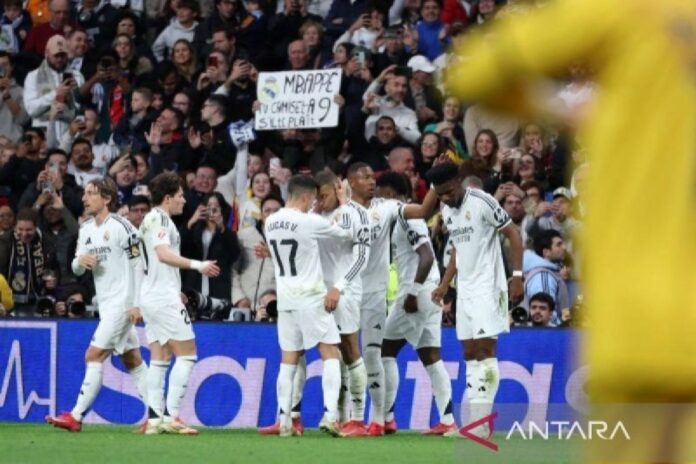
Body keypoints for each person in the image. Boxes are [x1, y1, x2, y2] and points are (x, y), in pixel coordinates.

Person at [45, 177, 149, 432]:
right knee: (133, 360)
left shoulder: (123, 227)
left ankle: (76, 416)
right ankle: (161, 415)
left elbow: (139, 265)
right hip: (107, 305)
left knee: (93, 355)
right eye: (85, 193)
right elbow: (75, 267)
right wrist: (81, 262)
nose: (84, 198)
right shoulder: (86, 229)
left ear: (107, 198)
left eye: (91, 193)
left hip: (123, 304)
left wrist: (136, 304)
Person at [428, 163, 523, 439]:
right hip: (466, 288)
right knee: (469, 354)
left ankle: (482, 425)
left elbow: (513, 233)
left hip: (488, 286)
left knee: (485, 351)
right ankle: (474, 423)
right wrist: (445, 284)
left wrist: (517, 277)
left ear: (458, 181)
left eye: (448, 191)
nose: (445, 198)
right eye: (440, 194)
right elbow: (458, 250)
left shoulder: (483, 201)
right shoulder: (447, 210)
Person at [346, 161, 438, 435]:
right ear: (351, 182)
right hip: (347, 291)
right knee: (345, 356)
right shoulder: (342, 213)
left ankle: (378, 419)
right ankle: (346, 417)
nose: (371, 181)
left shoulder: (386, 208)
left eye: (371, 176)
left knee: (373, 355)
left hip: (374, 294)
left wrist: (435, 181)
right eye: (364, 177)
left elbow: (423, 211)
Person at [260, 175, 352, 437]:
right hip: (311, 297)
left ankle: (284, 422)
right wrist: (344, 204)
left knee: (288, 361)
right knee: (330, 353)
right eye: (312, 198)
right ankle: (331, 416)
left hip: (286, 300)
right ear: (305, 196)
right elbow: (346, 234)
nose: (315, 203)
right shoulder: (310, 222)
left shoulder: (270, 221)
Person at [138, 172, 220, 435]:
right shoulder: (160, 219)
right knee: (187, 354)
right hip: (162, 297)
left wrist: (176, 289)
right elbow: (163, 255)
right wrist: (198, 265)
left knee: (160, 357)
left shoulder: (151, 220)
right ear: (167, 198)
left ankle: (154, 419)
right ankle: (172, 416)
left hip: (153, 295)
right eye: (181, 196)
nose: (184, 200)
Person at [376, 172, 456, 436]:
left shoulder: (406, 216)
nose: (377, 200)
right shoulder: (404, 217)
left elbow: (427, 256)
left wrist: (412, 292)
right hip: (429, 293)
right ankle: (447, 421)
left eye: (380, 194)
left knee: (384, 351)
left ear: (390, 193)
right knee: (431, 356)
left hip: (417, 293)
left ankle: (387, 417)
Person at [181, 192, 241, 301]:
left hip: (218, 285)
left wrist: (222, 228)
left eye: (216, 207)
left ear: (222, 210)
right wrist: (191, 223)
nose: (212, 210)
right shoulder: (194, 230)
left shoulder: (227, 232)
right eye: (209, 206)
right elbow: (181, 250)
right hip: (194, 283)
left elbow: (234, 255)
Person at [0, 207, 59, 316]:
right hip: (9, 302)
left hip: (38, 301)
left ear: (36, 227)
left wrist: (54, 279)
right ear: (15, 226)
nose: (24, 234)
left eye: (28, 230)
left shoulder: (46, 241)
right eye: (20, 229)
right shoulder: (5, 241)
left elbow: (54, 268)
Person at [231, 195, 279, 313]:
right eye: (267, 210)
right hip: (248, 301)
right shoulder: (244, 236)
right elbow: (232, 270)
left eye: (276, 211)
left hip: (280, 302)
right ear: (261, 214)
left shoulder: (292, 240)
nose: (271, 215)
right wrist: (239, 298)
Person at [363, 66, 421, 145]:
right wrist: (380, 79)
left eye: (404, 86)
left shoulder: (409, 113)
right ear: (386, 88)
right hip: (371, 148)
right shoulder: (377, 103)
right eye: (396, 85)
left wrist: (397, 129)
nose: (400, 89)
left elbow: (417, 139)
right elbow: (366, 98)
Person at [523, 229, 569, 326]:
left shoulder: (547, 273)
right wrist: (562, 330)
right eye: (559, 245)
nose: (564, 248)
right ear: (546, 252)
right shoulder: (543, 276)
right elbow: (545, 316)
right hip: (547, 333)